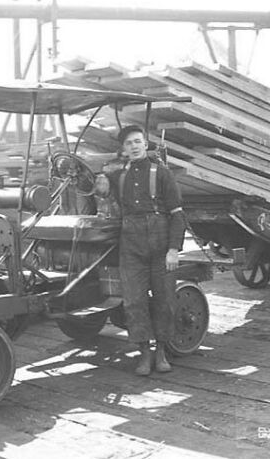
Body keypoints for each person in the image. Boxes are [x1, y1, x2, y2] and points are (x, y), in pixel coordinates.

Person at [95, 124, 185, 375]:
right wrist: (98, 181)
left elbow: (177, 215)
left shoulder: (162, 174)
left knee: (165, 301)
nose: (133, 147)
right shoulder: (119, 175)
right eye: (128, 144)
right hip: (131, 245)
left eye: (137, 142)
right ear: (123, 149)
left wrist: (173, 250)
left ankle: (162, 353)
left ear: (146, 144)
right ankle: (144, 355)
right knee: (134, 302)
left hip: (160, 244)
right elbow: (97, 187)